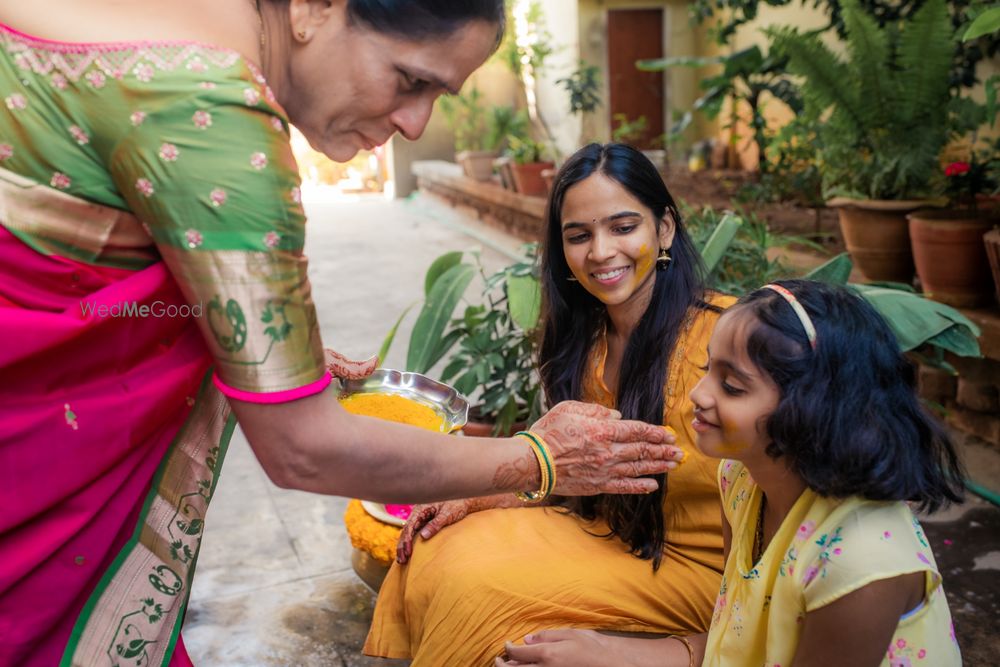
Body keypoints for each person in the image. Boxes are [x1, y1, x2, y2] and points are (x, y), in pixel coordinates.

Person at [0, 4, 683, 666]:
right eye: (411, 80)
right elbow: (303, 446)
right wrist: (540, 457)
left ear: (666, 229)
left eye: (436, 95)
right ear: (314, 7)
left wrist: (242, 343)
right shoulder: (208, 108)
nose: (416, 125)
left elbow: (109, 302)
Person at [364, 143, 736, 666]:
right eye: (579, 236)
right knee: (439, 545)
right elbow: (575, 475)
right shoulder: (586, 340)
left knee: (476, 592)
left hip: (706, 571)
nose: (601, 252)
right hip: (616, 536)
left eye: (624, 227)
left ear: (665, 229)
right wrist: (480, 495)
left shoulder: (728, 339)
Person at [499, 279, 965, 667]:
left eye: (732, 385)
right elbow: (736, 635)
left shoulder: (860, 567)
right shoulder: (741, 480)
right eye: (707, 369)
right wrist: (605, 650)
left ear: (812, 409)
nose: (698, 395)